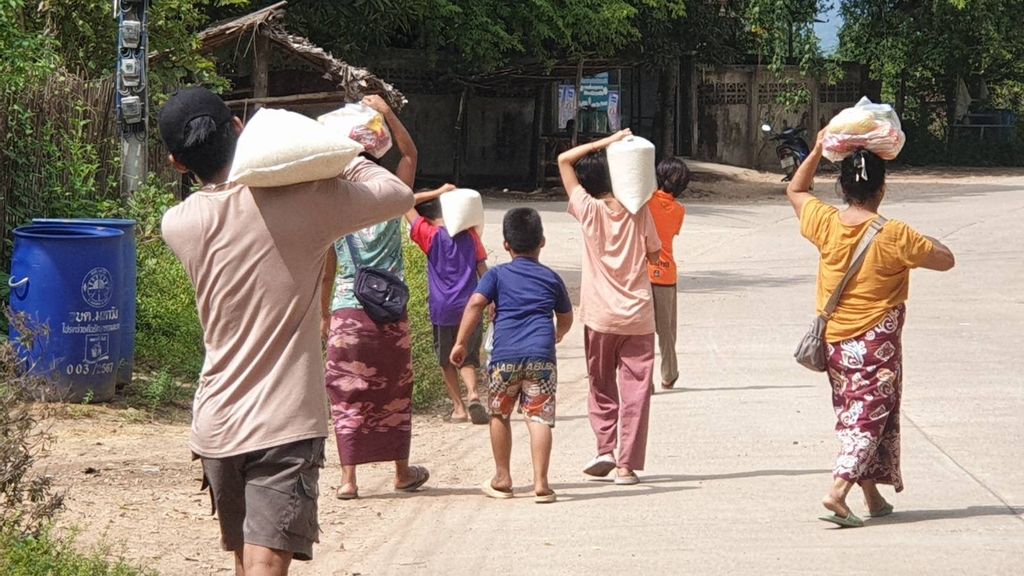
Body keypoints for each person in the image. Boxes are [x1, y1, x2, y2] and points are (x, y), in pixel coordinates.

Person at [158, 86, 412, 575]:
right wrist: (343, 151)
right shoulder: (305, 201)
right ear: (238, 129)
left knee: (245, 561)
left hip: (217, 424)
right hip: (286, 422)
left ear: (175, 163)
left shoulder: (179, 223)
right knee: (267, 564)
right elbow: (396, 194)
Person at [786, 130, 955, 528]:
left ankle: (873, 497)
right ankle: (838, 490)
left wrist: (815, 150)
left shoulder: (826, 222)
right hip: (875, 343)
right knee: (869, 418)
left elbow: (796, 190)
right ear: (882, 188)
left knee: (856, 413)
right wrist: (920, 240)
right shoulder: (896, 234)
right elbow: (946, 259)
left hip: (835, 343)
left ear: (842, 188)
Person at [319, 95, 429, 501]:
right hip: (390, 312)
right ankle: (401, 473)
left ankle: (349, 481)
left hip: (348, 310)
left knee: (347, 392)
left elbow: (328, 269)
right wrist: (386, 112)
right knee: (395, 391)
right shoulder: (393, 196)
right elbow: (411, 153)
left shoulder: (335, 207)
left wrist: (323, 316)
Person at [557, 128, 662, 486]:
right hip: (638, 316)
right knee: (636, 391)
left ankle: (605, 448)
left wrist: (605, 142)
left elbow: (563, 161)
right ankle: (626, 466)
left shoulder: (587, 209)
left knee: (601, 385)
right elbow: (655, 253)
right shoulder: (640, 211)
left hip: (600, 316)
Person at [450, 208, 573, 503]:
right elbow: (566, 316)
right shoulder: (551, 278)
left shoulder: (497, 275)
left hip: (505, 356)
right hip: (541, 356)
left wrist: (460, 342)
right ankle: (541, 483)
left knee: (500, 414)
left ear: (506, 245)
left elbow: (475, 304)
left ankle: (503, 477)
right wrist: (559, 333)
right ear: (542, 241)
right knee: (539, 418)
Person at [407, 188, 489, 425]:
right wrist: (492, 301)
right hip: (470, 307)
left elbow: (405, 202)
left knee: (446, 360)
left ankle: (459, 409)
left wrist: (439, 190)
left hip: (442, 308)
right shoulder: (470, 235)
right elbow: (483, 270)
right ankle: (473, 393)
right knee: (469, 357)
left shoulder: (429, 235)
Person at [648, 157, 689, 390]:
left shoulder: (646, 203)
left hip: (643, 272)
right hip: (666, 275)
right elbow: (671, 232)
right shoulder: (679, 211)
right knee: (667, 332)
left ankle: (643, 378)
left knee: (641, 331)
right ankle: (669, 373)